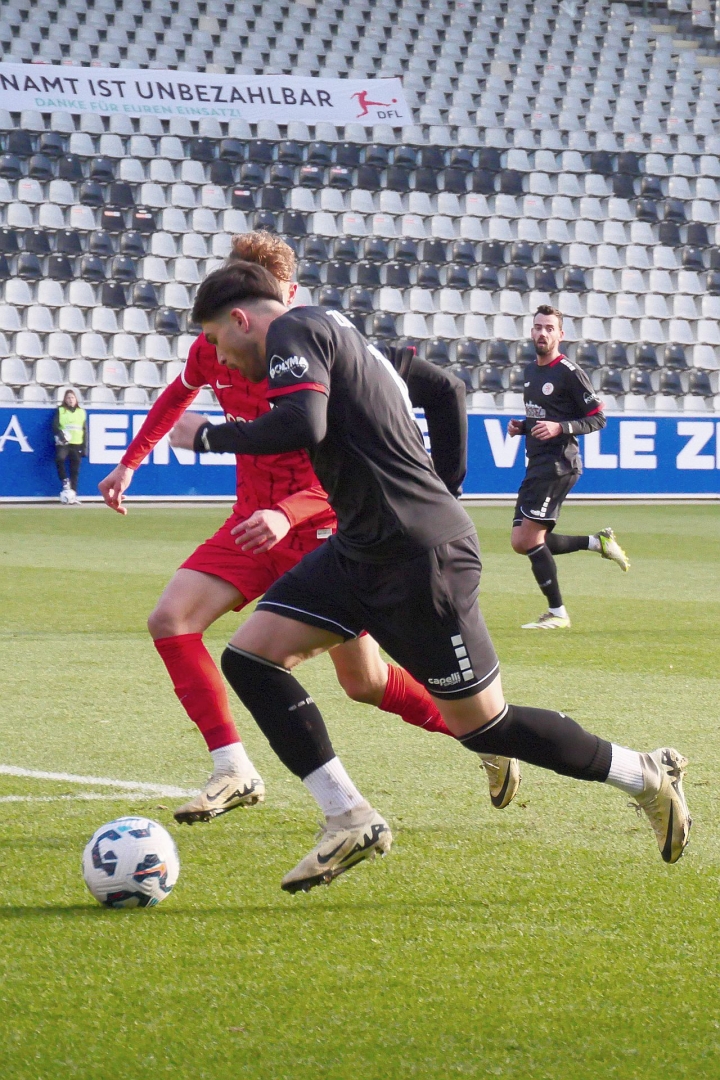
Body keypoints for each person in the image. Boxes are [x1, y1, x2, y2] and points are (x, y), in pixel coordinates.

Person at [169, 262, 691, 894]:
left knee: (485, 726)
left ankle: (644, 773)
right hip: (361, 549)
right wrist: (446, 485)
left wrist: (207, 437)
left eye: (217, 340)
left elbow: (305, 423)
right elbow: (446, 388)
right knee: (251, 658)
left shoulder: (292, 332)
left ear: (240, 319)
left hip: (419, 561)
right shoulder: (338, 330)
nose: (220, 358)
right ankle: (347, 816)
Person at [98, 232, 519, 824]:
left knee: (364, 682)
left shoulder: (319, 348)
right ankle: (232, 767)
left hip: (323, 528)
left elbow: (354, 458)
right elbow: (177, 397)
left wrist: (291, 512)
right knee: (171, 619)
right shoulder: (217, 348)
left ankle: (482, 736)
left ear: (288, 294)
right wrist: (130, 462)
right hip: (250, 523)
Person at [507, 306, 630, 630]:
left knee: (531, 538)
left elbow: (598, 419)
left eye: (549, 328)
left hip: (559, 465)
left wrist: (561, 428)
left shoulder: (569, 372)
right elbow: (545, 416)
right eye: (538, 327)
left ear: (560, 334)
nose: (542, 333)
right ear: (531, 332)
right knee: (521, 541)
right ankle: (597, 542)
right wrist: (523, 427)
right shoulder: (531, 371)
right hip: (537, 463)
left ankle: (557, 613)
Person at [53, 389, 87, 505]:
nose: (70, 400)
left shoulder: (81, 412)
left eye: (72, 397)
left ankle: (73, 495)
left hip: (77, 443)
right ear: (65, 399)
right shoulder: (61, 410)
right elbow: (55, 426)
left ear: (76, 399)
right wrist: (61, 435)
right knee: (59, 459)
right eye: (68, 398)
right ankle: (64, 480)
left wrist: (84, 447)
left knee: (75, 470)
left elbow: (84, 430)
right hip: (64, 443)